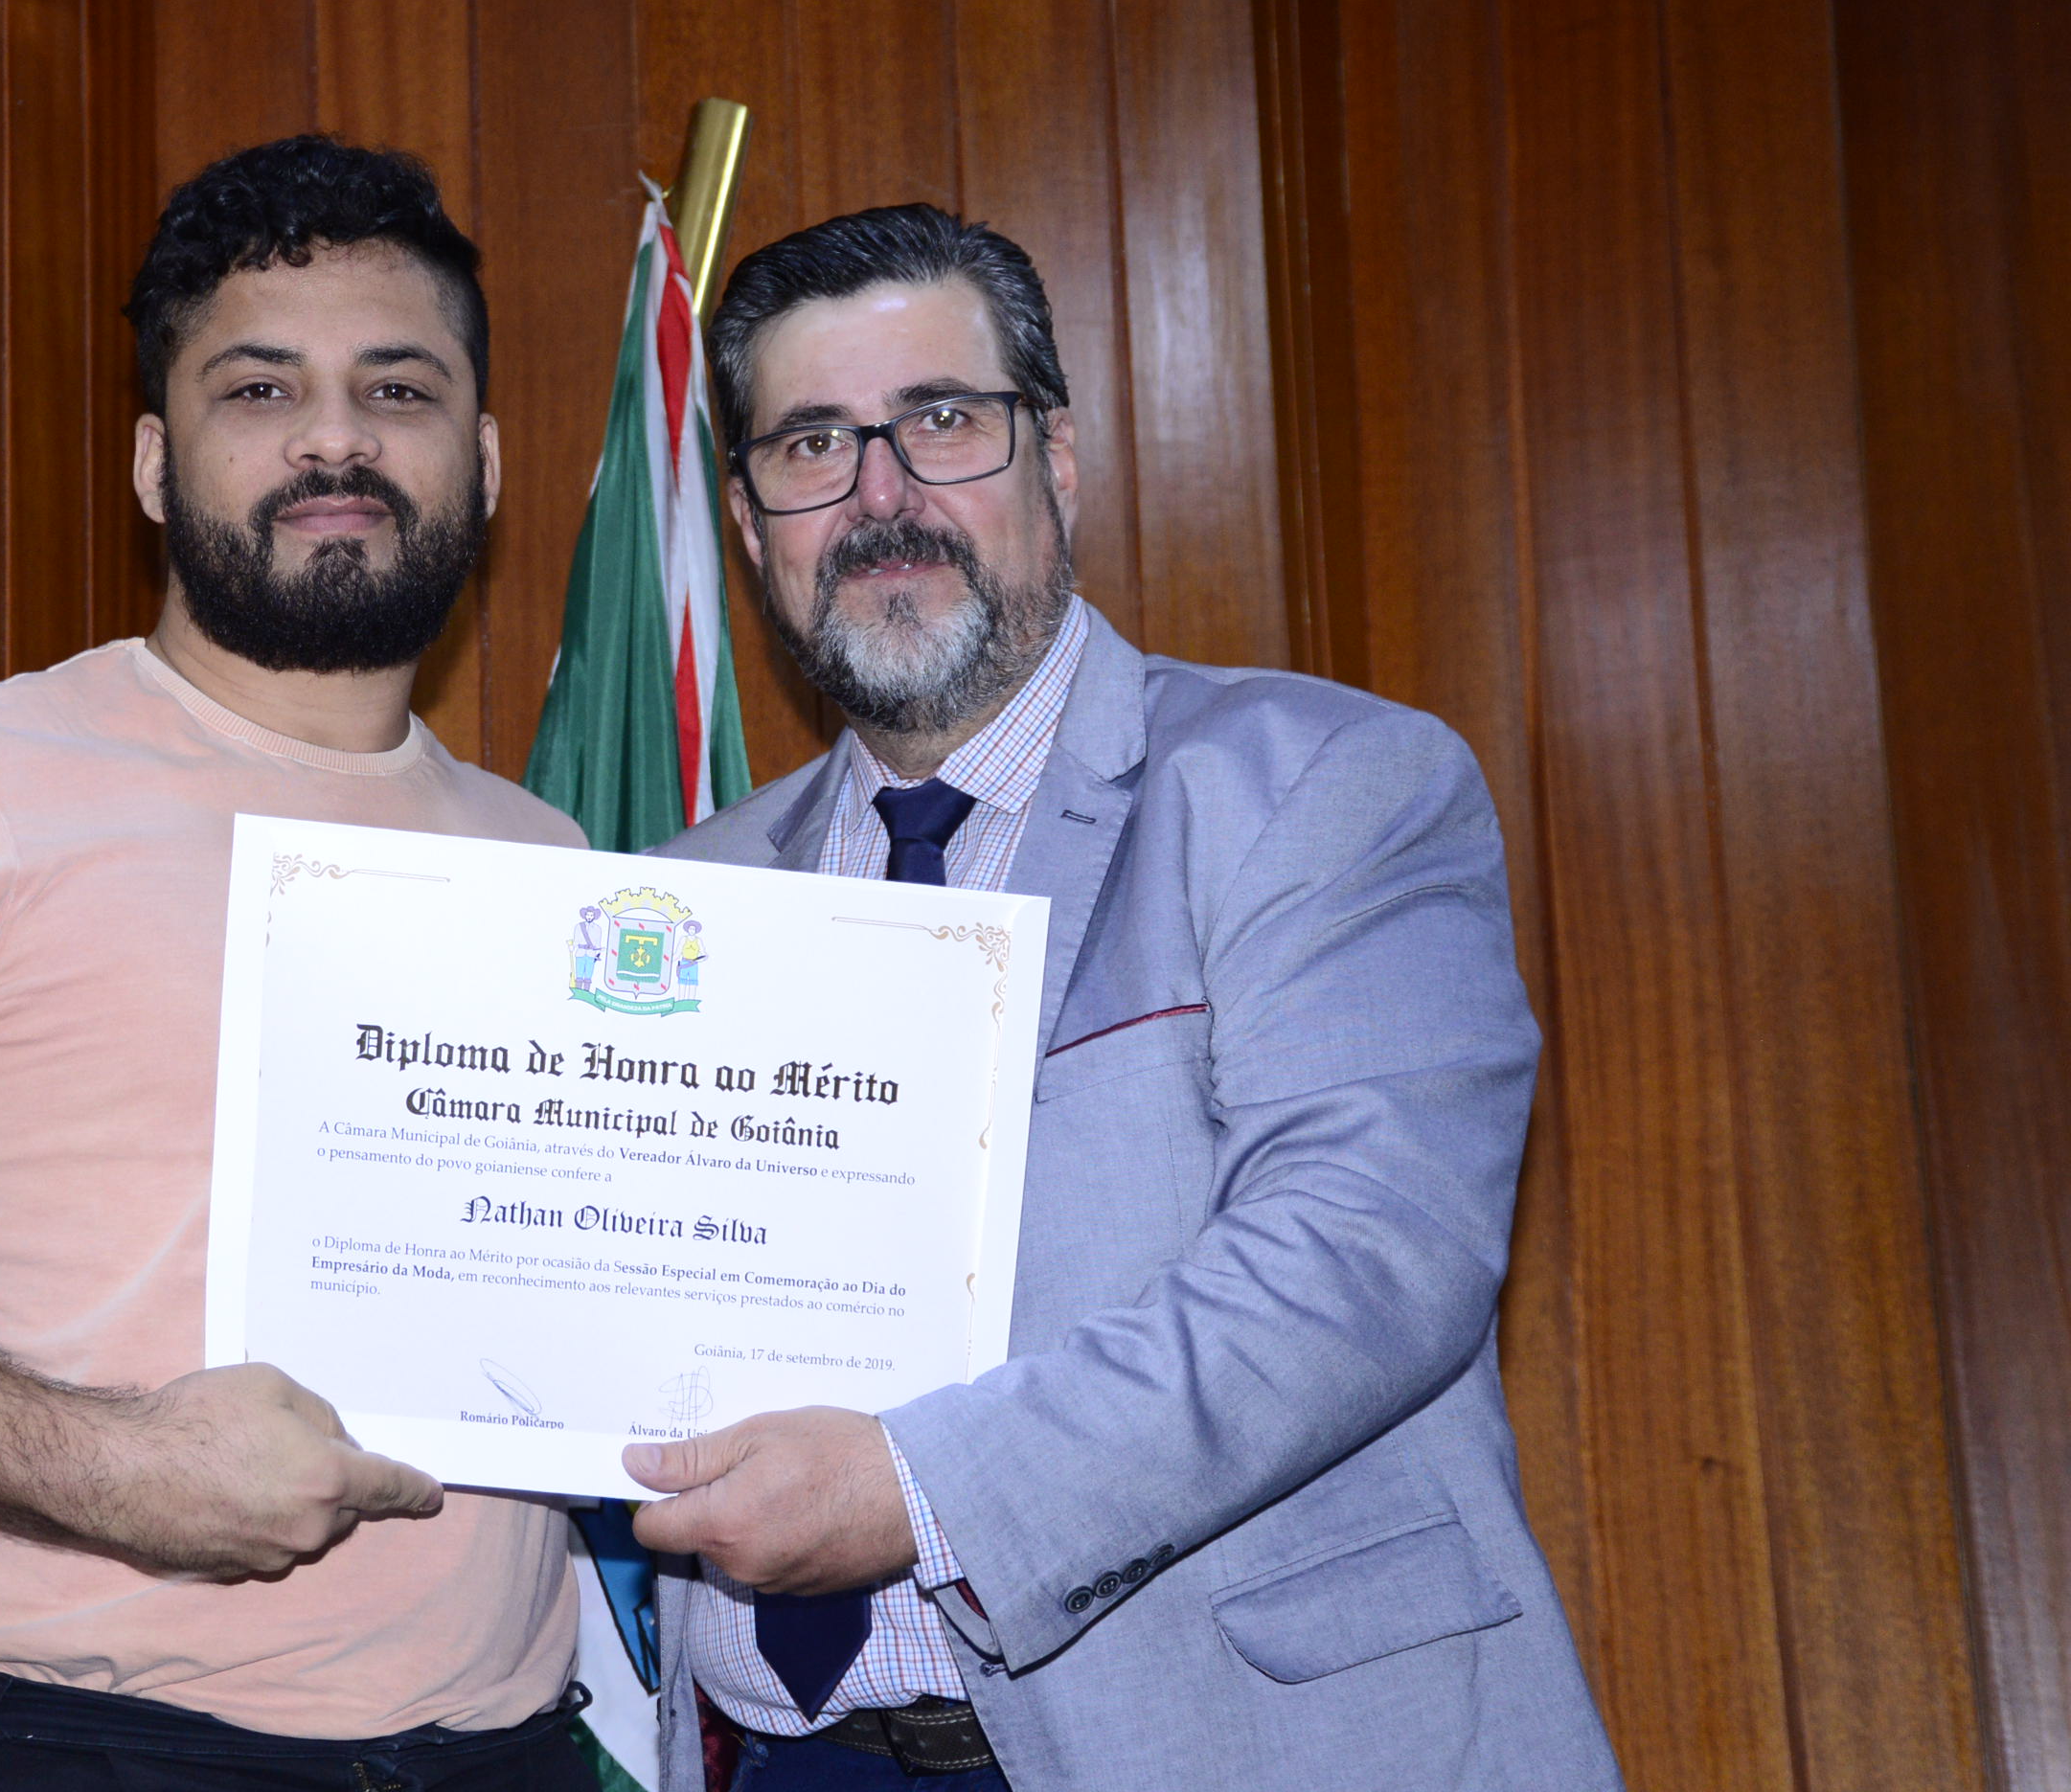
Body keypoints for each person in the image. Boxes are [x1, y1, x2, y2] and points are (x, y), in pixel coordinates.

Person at [0, 135, 597, 1792]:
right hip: (76, 1745)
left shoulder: (553, 861)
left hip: (510, 1753)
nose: (335, 437)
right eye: (259, 390)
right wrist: (118, 1469)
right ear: (153, 462)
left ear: (482, 462)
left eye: (398, 389)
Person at [628, 204, 1622, 1792]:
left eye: (943, 422)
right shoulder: (684, 902)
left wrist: (920, 1492)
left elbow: (1366, 1254)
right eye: (813, 446)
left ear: (1060, 459)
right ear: (750, 529)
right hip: (792, 1761)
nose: (881, 496)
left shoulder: (1321, 786)